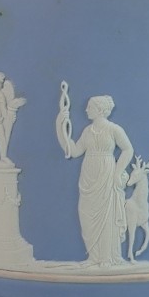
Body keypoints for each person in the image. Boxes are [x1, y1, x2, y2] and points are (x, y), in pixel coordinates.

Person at [57, 93, 134, 266]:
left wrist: (117, 172)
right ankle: (94, 256)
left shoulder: (114, 129)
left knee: (106, 216)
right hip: (88, 175)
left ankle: (106, 257)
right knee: (86, 214)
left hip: (106, 172)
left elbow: (128, 149)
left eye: (90, 107)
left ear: (100, 110)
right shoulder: (87, 131)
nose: (86, 110)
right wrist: (60, 126)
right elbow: (74, 151)